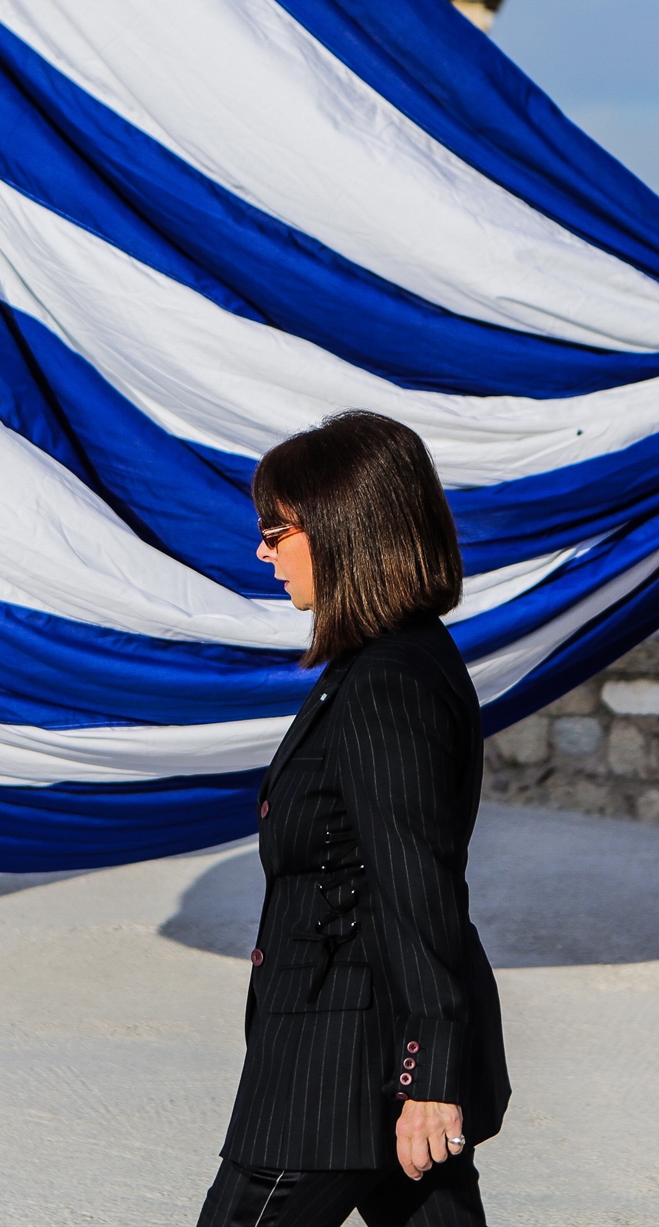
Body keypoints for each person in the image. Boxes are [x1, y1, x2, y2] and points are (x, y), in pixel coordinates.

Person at [197, 411, 510, 1227]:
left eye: (275, 530)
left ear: (341, 532)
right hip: (363, 1046)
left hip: (337, 1069)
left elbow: (416, 883)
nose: (261, 552)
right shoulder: (387, 662)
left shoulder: (388, 683)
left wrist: (430, 1073)